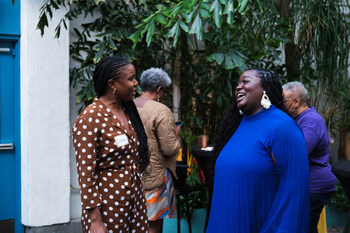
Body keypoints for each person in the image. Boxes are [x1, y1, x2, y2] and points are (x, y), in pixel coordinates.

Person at [206, 68, 310, 233]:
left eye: (245, 81)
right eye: (237, 84)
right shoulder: (237, 125)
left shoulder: (283, 128)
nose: (238, 87)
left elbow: (293, 196)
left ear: (265, 89)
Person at [72, 56, 149, 233]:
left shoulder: (127, 112)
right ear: (112, 84)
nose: (136, 83)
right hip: (108, 207)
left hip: (134, 202)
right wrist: (95, 220)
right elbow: (86, 174)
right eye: (131, 79)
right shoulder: (90, 118)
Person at [283, 81, 337, 233]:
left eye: (284, 100)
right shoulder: (303, 118)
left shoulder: (310, 120)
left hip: (315, 185)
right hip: (310, 184)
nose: (282, 104)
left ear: (296, 102)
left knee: (304, 228)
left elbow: (300, 152)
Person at [134, 68, 181, 233]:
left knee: (134, 222)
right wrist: (176, 136)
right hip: (155, 176)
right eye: (165, 91)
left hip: (131, 175)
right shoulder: (161, 110)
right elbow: (169, 149)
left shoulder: (127, 105)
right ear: (159, 89)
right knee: (153, 224)